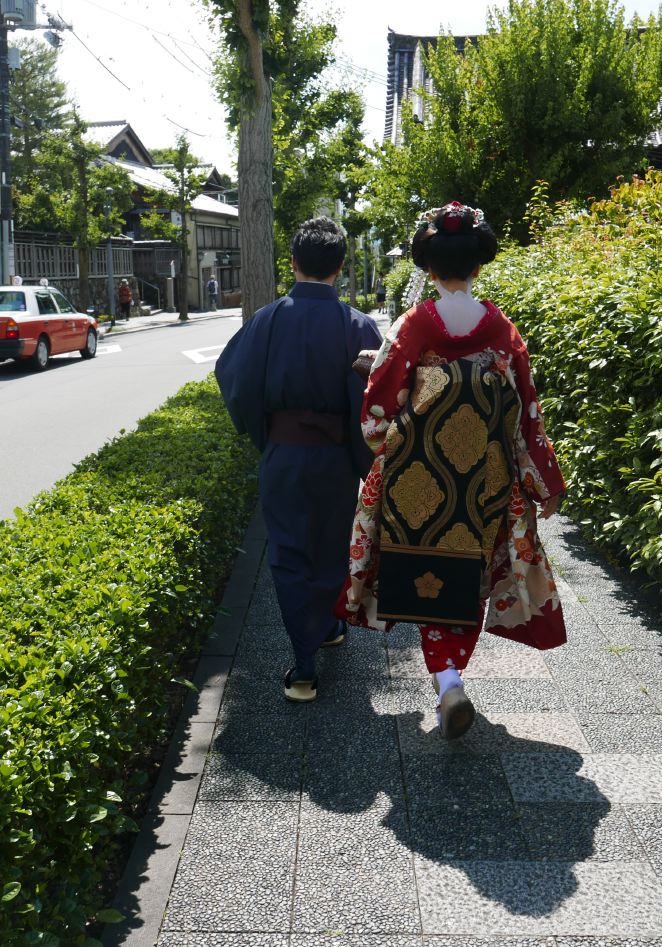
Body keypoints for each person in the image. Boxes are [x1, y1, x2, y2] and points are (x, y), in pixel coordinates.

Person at [338, 201, 567, 739]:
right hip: (485, 486)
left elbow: (378, 410)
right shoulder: (503, 332)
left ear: (428, 267)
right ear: (479, 267)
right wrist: (544, 483)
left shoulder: (413, 327)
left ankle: (447, 682)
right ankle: (451, 678)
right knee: (467, 581)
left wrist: (392, 443)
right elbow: (526, 415)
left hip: (417, 483)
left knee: (426, 576)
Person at [216, 217, 384, 702]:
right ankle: (330, 625)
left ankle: (304, 666)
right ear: (341, 266)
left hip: (284, 455)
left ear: (293, 263)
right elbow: (374, 402)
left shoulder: (266, 320)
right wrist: (362, 458)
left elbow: (236, 380)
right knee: (332, 547)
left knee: (290, 553)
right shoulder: (358, 325)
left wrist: (264, 435)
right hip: (334, 458)